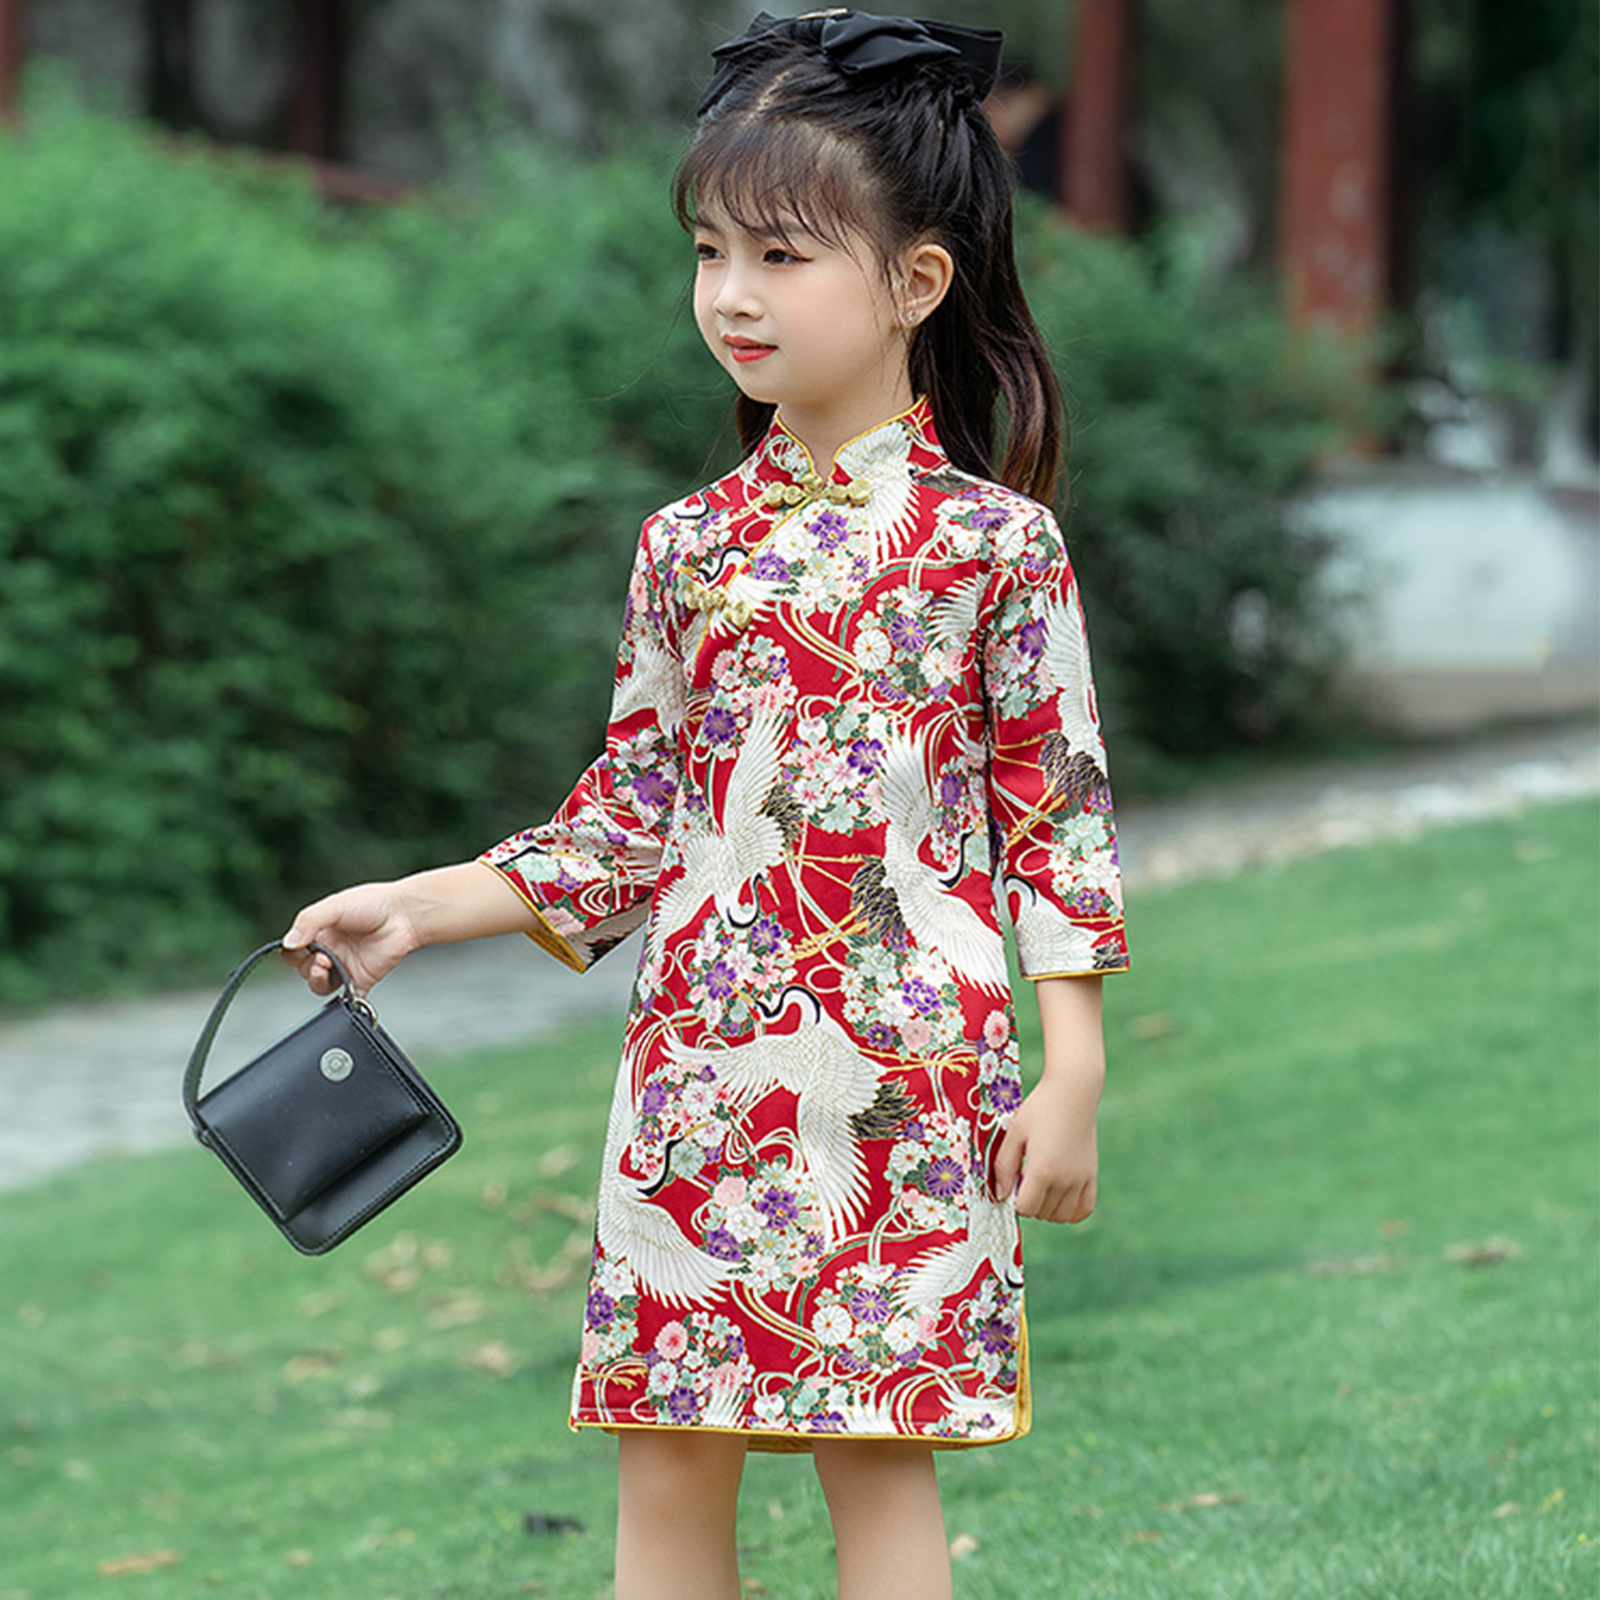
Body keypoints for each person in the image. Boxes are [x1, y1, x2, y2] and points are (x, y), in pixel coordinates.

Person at [282, 11, 1129, 1599]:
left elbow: (1057, 820)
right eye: (709, 250)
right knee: (667, 1461)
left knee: (874, 1459)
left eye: (781, 255)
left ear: (916, 282)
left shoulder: (996, 549)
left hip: (907, 1085)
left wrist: (1072, 1067)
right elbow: (626, 824)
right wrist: (419, 907)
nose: (731, 293)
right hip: (699, 1084)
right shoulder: (688, 548)